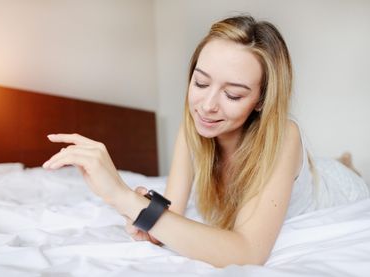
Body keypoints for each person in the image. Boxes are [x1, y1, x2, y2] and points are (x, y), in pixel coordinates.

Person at [42, 15, 369, 267]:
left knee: (337, 171)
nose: (208, 105)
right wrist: (146, 216)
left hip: (335, 187)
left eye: (233, 94)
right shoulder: (195, 125)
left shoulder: (283, 135)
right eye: (200, 83)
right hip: (300, 171)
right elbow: (170, 215)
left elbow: (248, 252)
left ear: (260, 100)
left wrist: (123, 197)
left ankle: (342, 164)